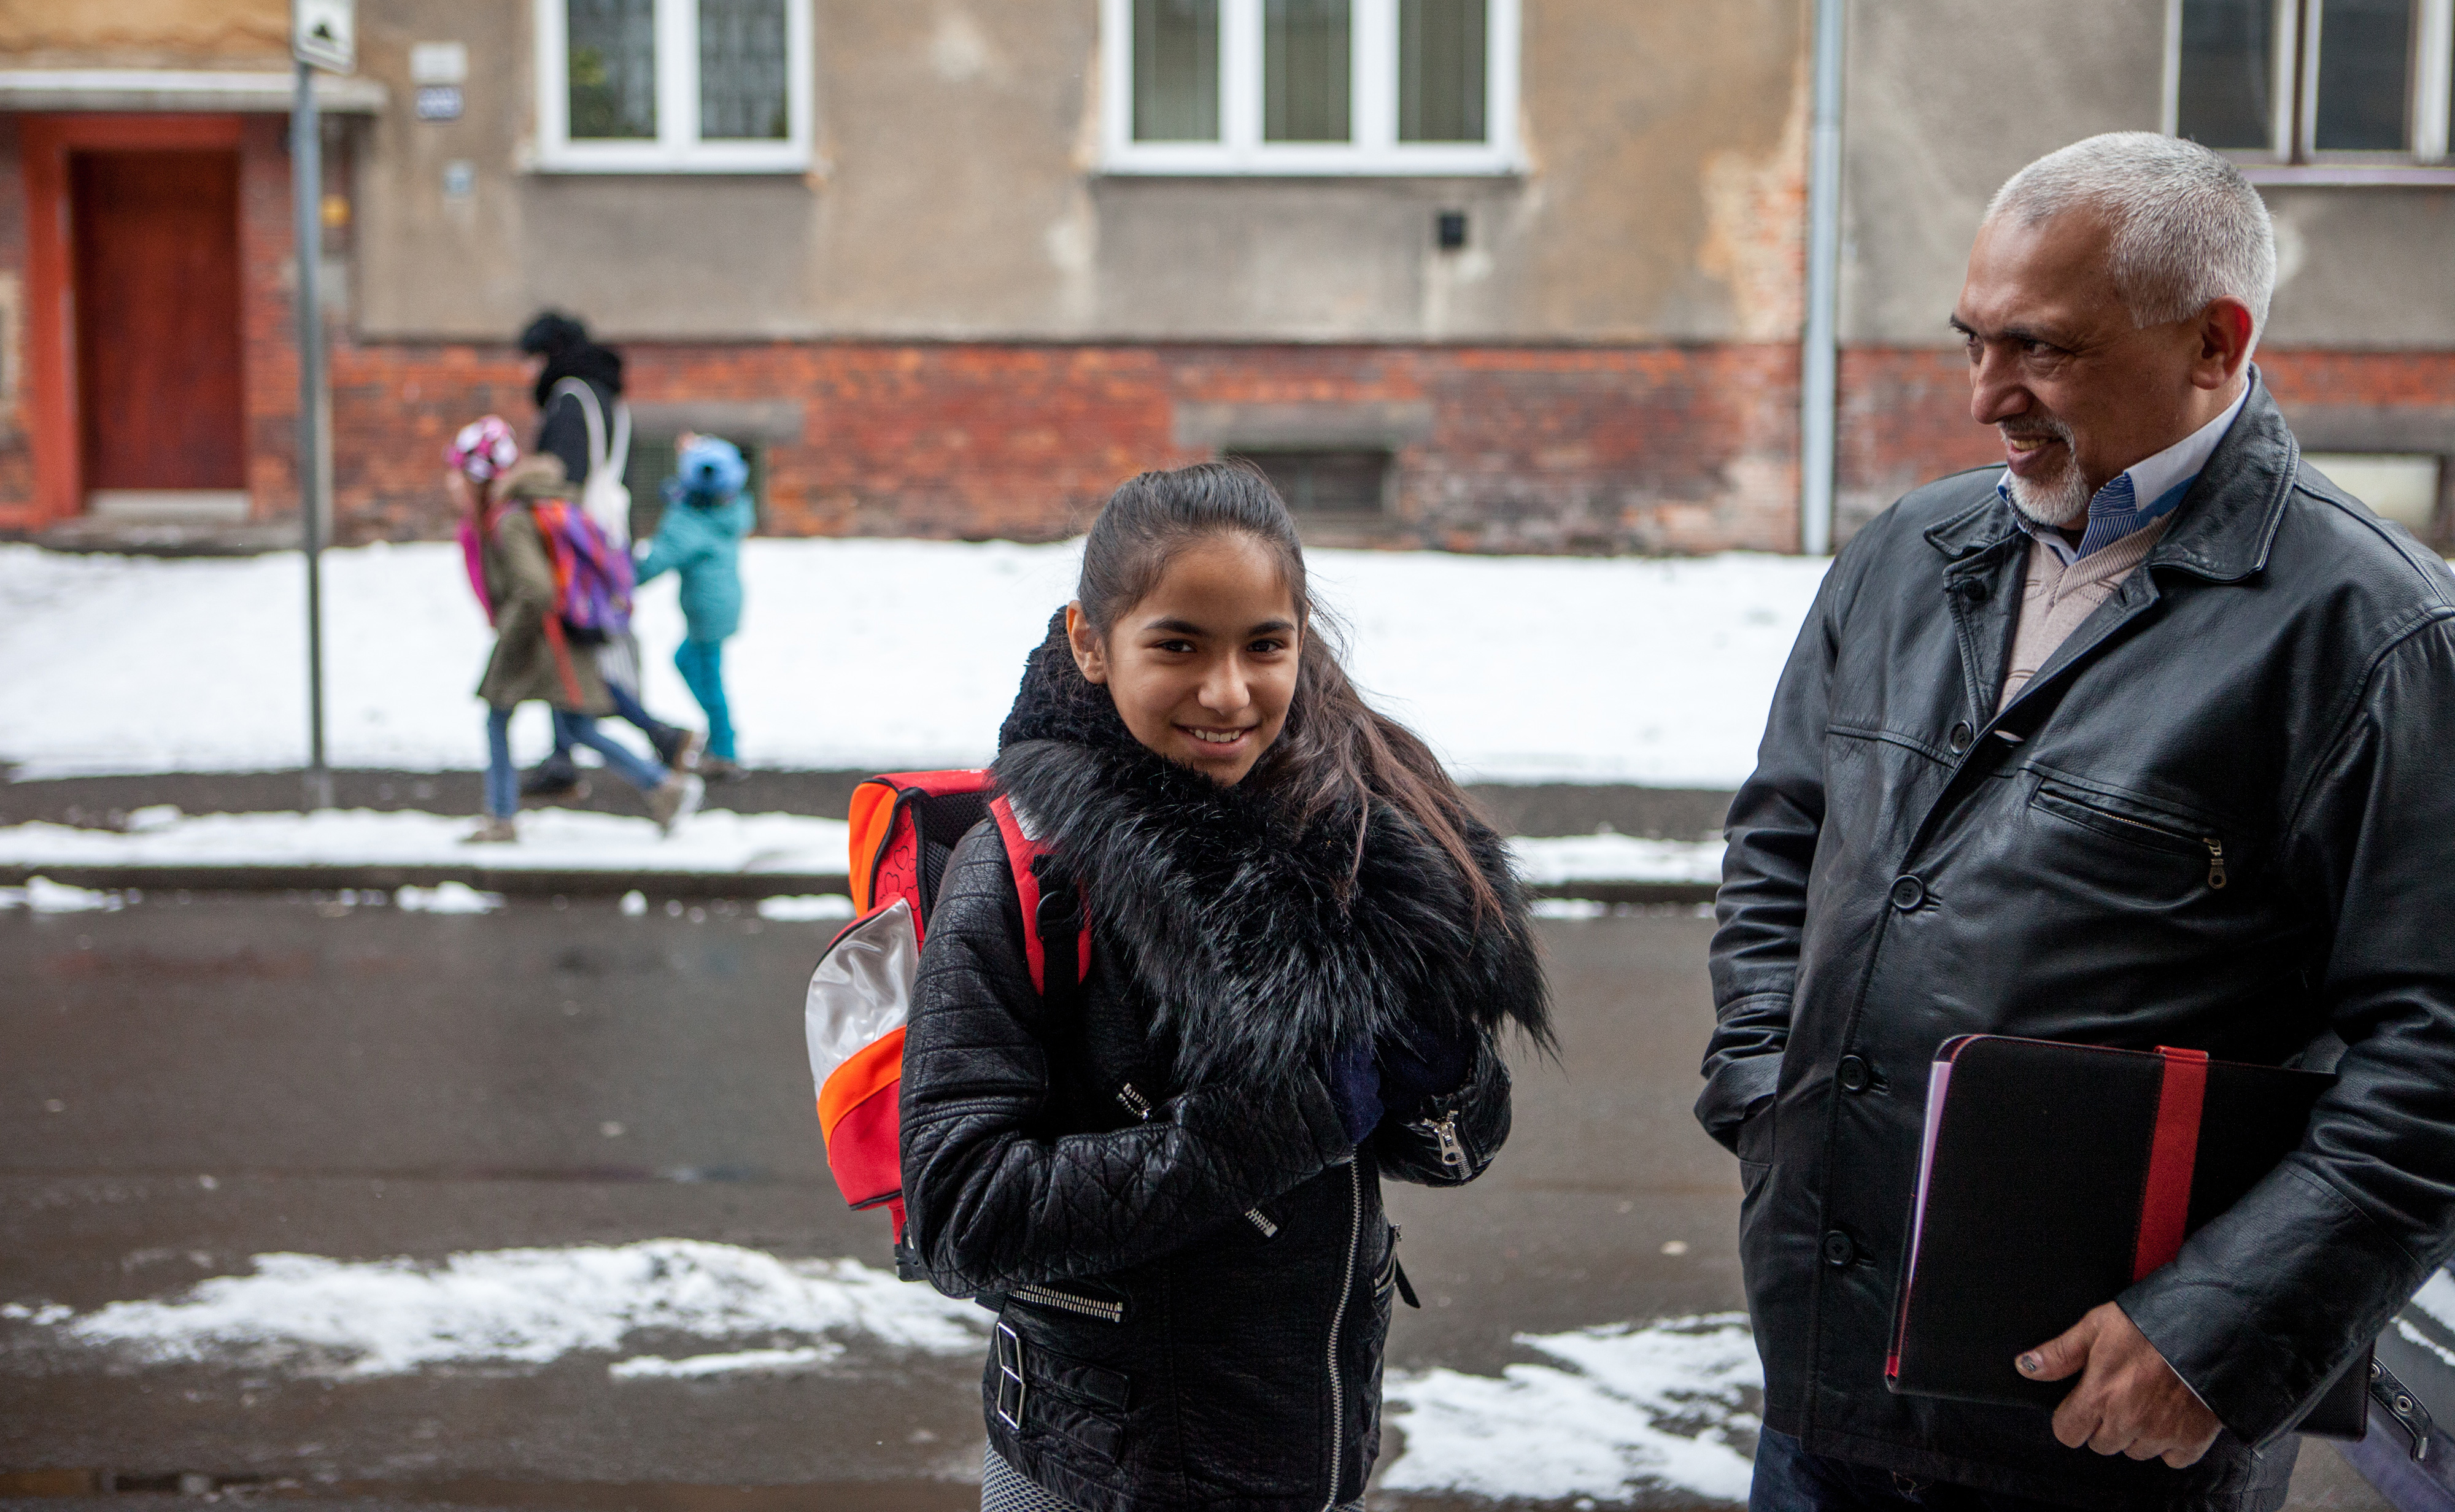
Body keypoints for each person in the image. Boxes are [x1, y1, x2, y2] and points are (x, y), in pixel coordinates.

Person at [1701, 130, 2455, 1512]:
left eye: (2040, 351)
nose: (1986, 397)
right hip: (1825, 1379)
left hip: (2108, 1431)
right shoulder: (1901, 555)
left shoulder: (2375, 633)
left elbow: (2435, 1053)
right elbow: (1779, 842)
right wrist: (1763, 1085)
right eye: (1970, 340)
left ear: (2213, 345)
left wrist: (2215, 1330)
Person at [899, 461, 1552, 1512]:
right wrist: (1271, 1127)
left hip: (1315, 1451)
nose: (1227, 692)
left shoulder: (1364, 840)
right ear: (1090, 642)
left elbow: (1460, 1148)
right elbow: (962, 1213)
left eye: (1264, 645)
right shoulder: (1025, 866)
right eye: (1177, 645)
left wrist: (1444, 1076)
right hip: (1103, 1478)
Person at [445, 417, 703, 843]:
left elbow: (536, 589)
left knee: (499, 718)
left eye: (458, 474)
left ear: (479, 478)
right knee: (577, 726)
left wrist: (510, 635)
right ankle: (662, 786)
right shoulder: (524, 508)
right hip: (557, 639)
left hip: (539, 643)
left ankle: (502, 816)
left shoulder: (510, 520)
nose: (451, 484)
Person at [512, 310, 700, 806]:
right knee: (578, 647)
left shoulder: (570, 400)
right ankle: (566, 755)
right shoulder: (609, 401)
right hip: (606, 538)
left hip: (575, 546)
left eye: (531, 359)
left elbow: (561, 482)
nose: (525, 372)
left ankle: (658, 737)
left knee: (575, 645)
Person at [632, 434, 755, 784]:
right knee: (690, 663)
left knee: (707, 676)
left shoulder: (690, 524)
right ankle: (721, 739)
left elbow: (656, 561)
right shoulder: (729, 510)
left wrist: (620, 579)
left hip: (706, 610)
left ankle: (725, 750)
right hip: (722, 604)